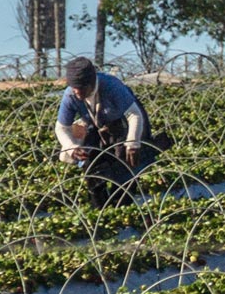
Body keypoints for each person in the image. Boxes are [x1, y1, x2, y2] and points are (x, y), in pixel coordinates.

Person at [56, 57, 157, 208]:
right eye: (74, 87)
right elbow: (61, 127)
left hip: (125, 123)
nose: (77, 92)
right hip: (98, 126)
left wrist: (133, 143)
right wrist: (71, 147)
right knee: (92, 167)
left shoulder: (111, 86)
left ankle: (123, 207)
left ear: (91, 83)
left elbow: (134, 115)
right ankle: (100, 210)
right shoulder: (71, 95)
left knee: (125, 166)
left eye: (81, 88)